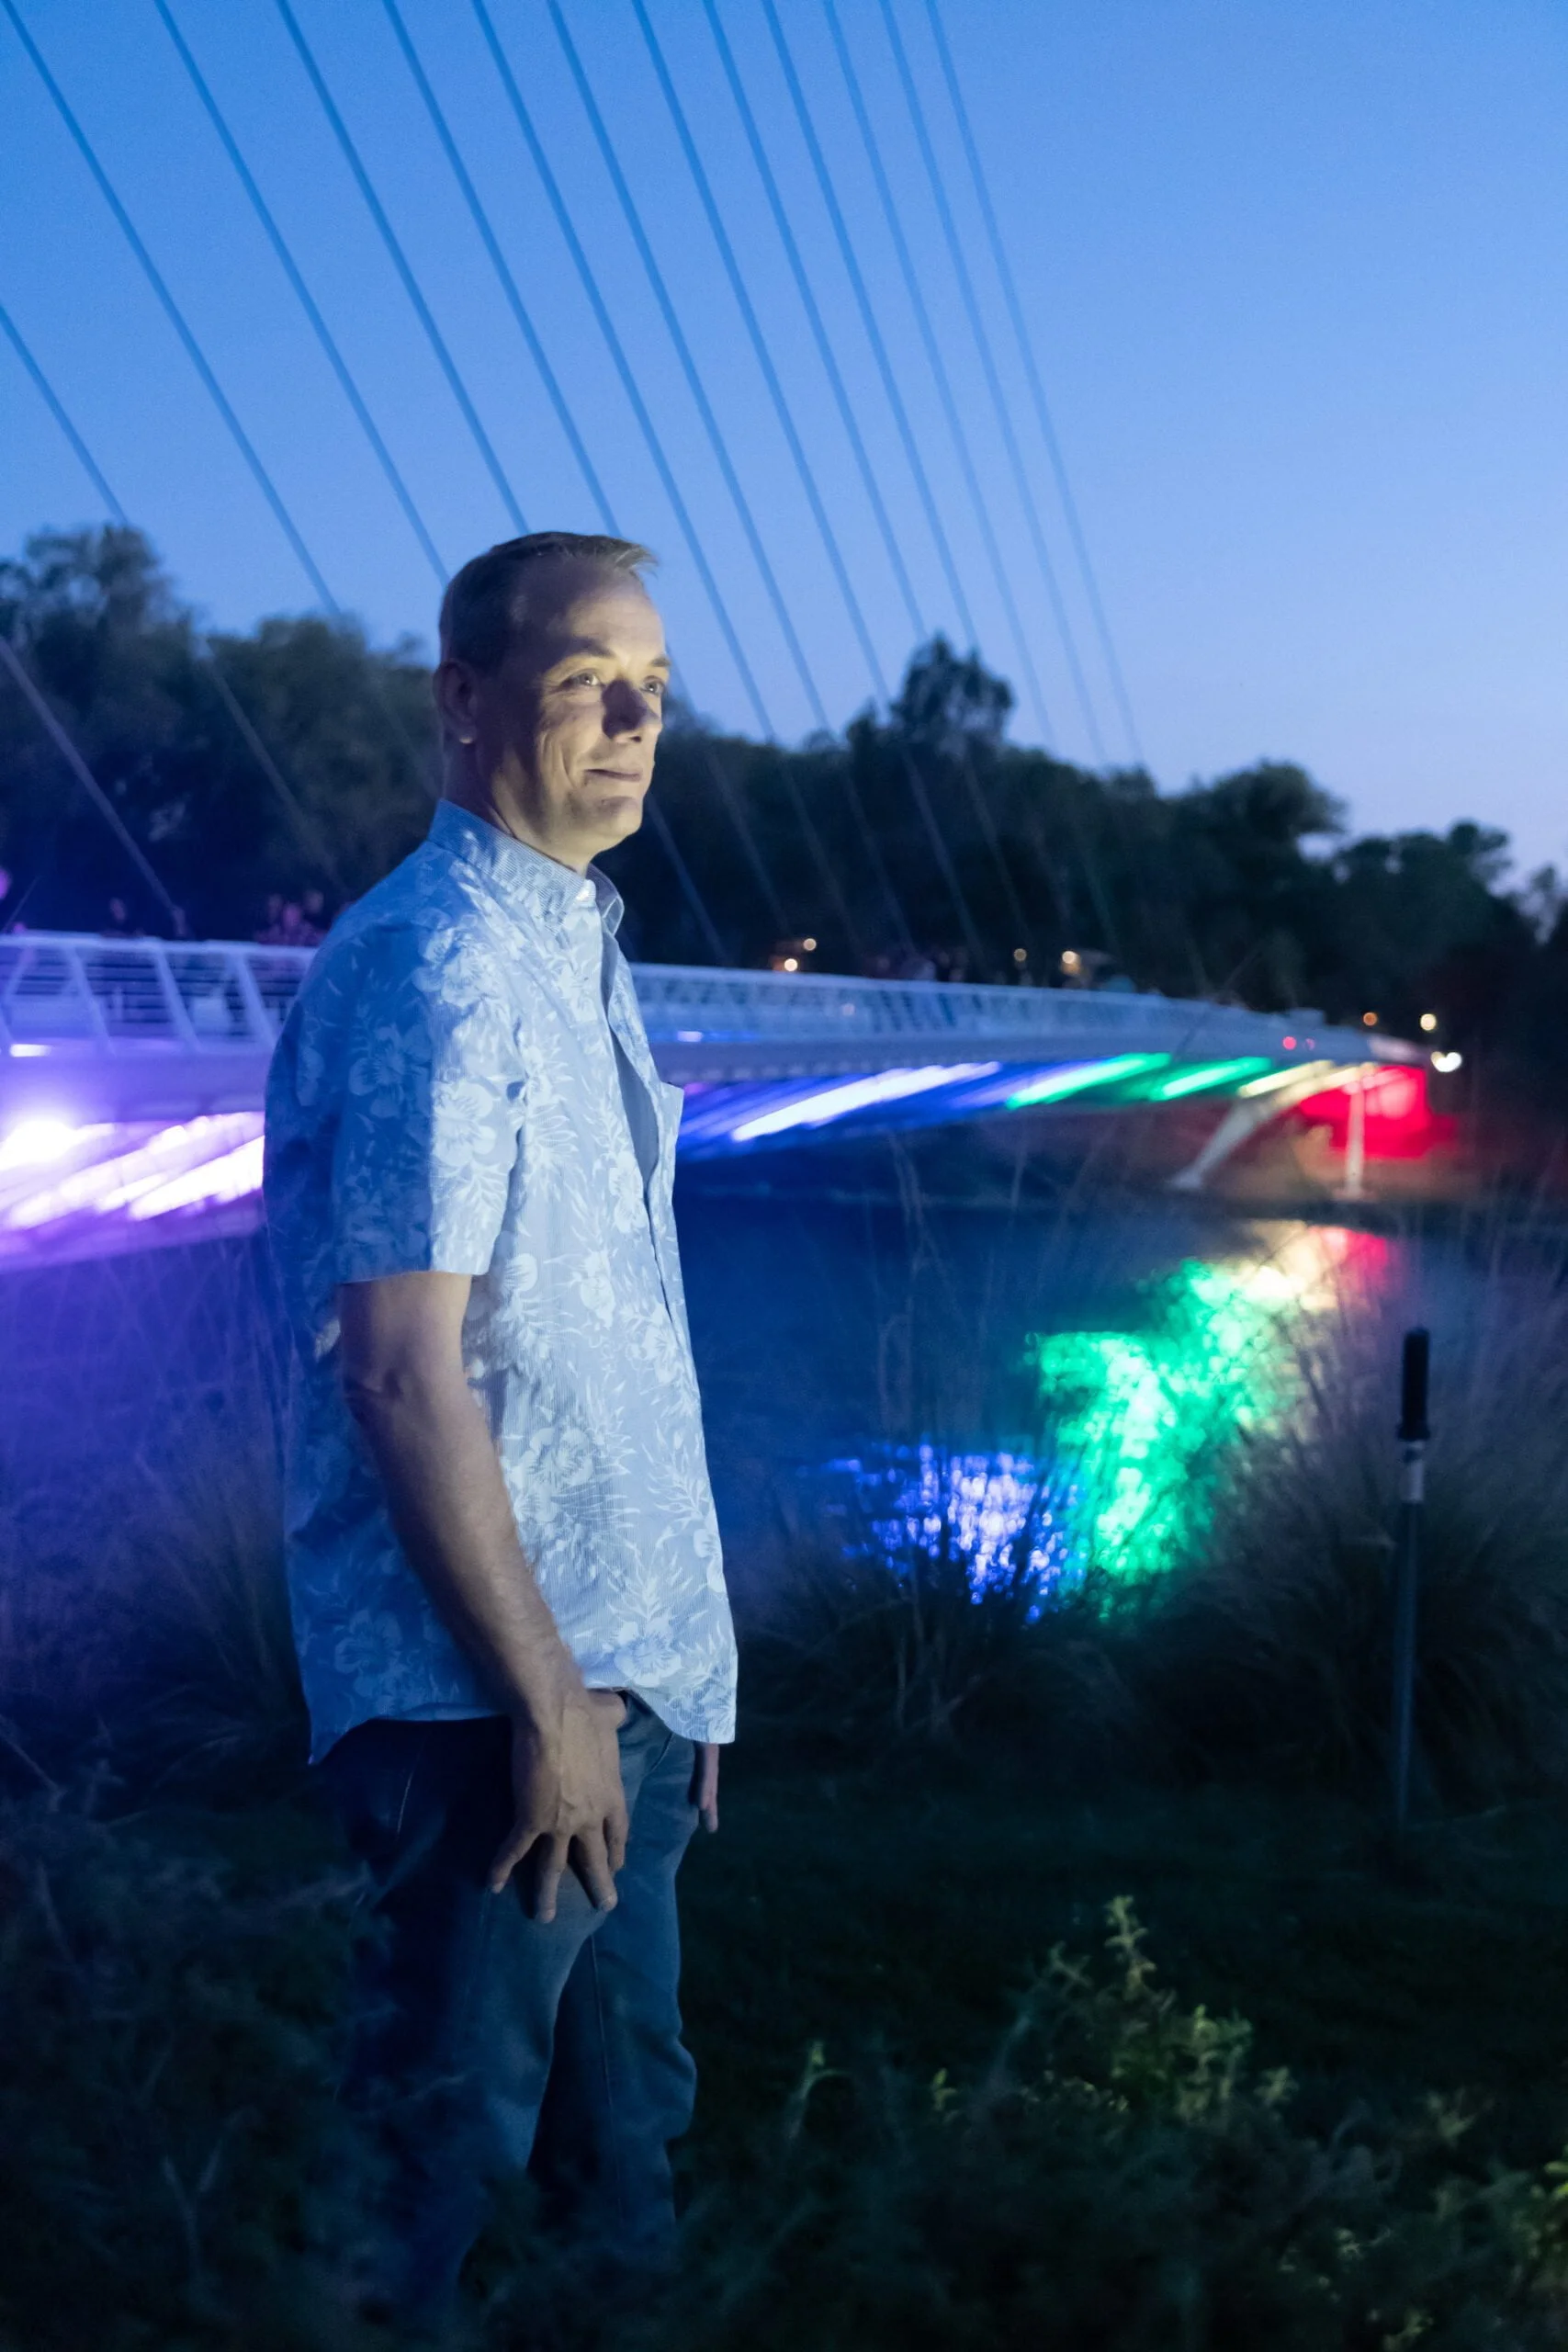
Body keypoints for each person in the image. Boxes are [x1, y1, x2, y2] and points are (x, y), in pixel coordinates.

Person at [263, 532, 737, 2319]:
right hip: (485, 1708)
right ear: (463, 700)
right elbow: (398, 1366)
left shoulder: (573, 937)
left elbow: (614, 1339)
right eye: (581, 681)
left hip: (616, 1687)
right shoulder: (436, 968)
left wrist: (685, 1666)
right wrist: (549, 1696)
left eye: (654, 692)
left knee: (622, 2180)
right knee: (432, 2192)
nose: (631, 723)